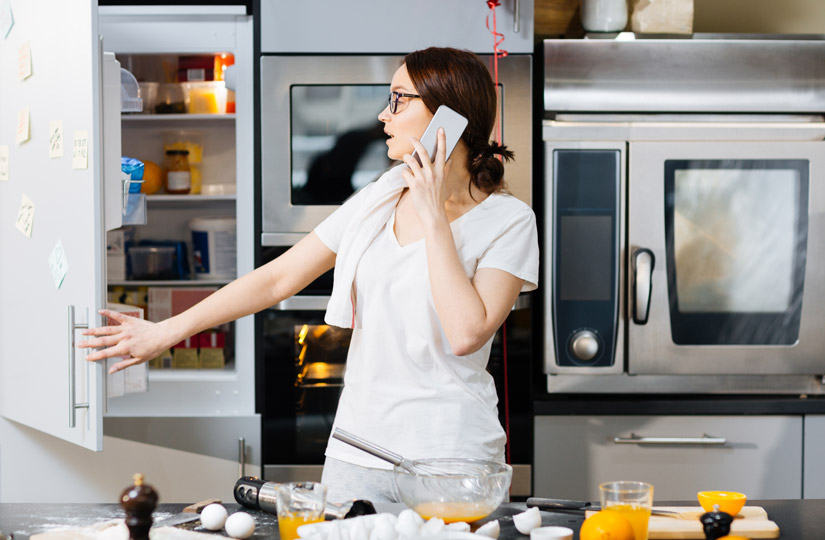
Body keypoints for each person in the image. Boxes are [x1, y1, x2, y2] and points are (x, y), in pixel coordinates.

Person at [80, 47, 539, 504]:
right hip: (359, 450)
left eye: (399, 99)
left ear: (448, 116)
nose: (384, 114)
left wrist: (434, 216)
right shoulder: (382, 195)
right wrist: (166, 332)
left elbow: (466, 333)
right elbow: (278, 279)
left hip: (450, 458)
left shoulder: (508, 221)